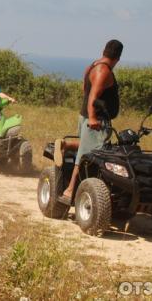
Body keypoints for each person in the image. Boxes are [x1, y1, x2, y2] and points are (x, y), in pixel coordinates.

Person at [58, 39, 123, 203]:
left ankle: (65, 145)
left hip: (85, 116)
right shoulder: (104, 71)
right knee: (88, 154)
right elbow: (93, 95)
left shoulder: (93, 65)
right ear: (118, 57)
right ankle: (70, 189)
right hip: (96, 121)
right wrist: (93, 117)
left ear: (104, 50)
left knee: (87, 146)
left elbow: (84, 89)